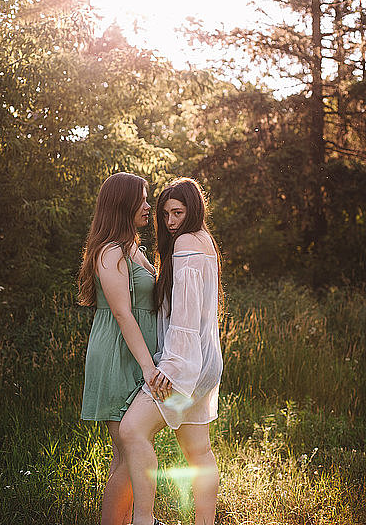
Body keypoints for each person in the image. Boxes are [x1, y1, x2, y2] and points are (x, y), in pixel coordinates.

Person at [119, 177, 224, 525]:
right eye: (165, 214)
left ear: (193, 209)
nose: (171, 221)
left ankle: (143, 520)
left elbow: (185, 315)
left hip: (184, 369)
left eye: (178, 212)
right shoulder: (204, 241)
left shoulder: (186, 246)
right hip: (205, 366)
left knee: (132, 430)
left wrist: (172, 365)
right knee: (199, 451)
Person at [77, 172, 168, 525]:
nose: (148, 206)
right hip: (119, 353)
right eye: (141, 200)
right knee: (127, 451)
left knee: (132, 448)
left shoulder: (133, 248)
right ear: (122, 205)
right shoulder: (109, 251)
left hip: (140, 351)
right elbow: (121, 312)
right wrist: (148, 366)